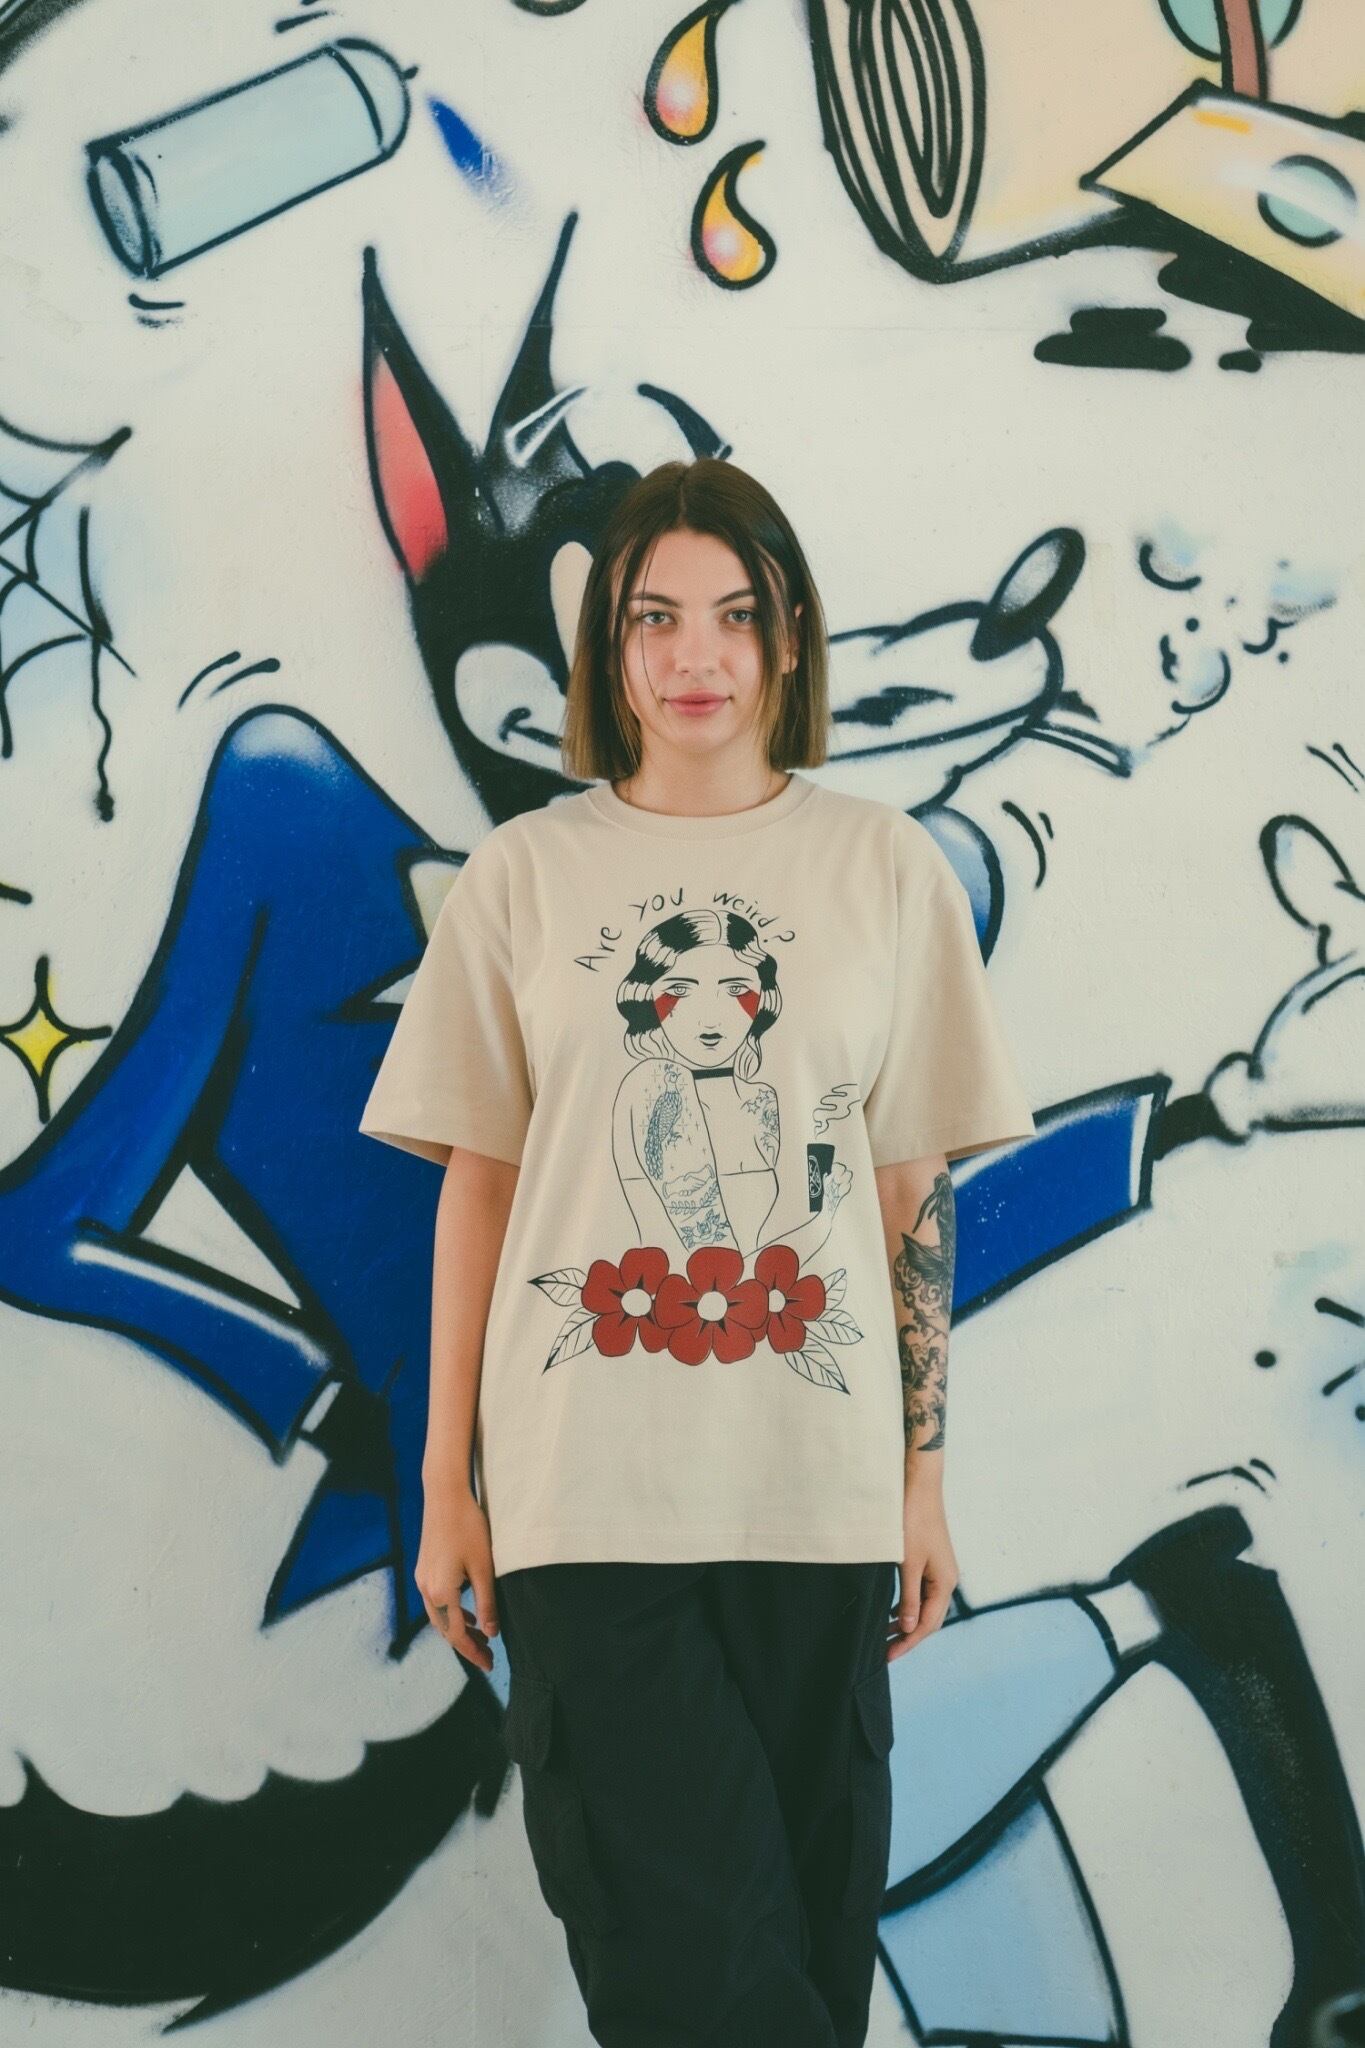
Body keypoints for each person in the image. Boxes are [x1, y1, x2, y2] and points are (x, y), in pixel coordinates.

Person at [357, 458, 1037, 2046]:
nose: (694, 656)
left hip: (818, 1499)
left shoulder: (883, 868)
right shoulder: (523, 878)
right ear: (608, 649)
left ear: (788, 637)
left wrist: (922, 1478)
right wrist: (446, 1488)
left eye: (734, 615)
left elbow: (910, 1192)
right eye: (653, 618)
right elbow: (477, 1191)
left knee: (808, 1958)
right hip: (585, 1506)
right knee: (697, 1978)